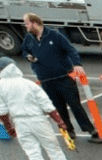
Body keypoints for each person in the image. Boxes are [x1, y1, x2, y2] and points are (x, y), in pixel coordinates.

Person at [0, 57, 74, 160]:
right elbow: (46, 104)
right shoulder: (28, 84)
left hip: (20, 122)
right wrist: (59, 121)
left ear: (1, 70)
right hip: (38, 119)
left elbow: (1, 110)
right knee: (53, 148)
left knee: (33, 153)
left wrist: (9, 127)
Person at [20, 13, 97, 141]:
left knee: (75, 104)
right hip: (46, 80)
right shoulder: (29, 38)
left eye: (27, 23)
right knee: (58, 107)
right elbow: (24, 50)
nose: (25, 26)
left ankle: (89, 129)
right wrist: (28, 56)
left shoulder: (54, 35)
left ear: (34, 23)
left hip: (64, 77)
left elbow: (70, 50)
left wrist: (77, 64)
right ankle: (69, 130)